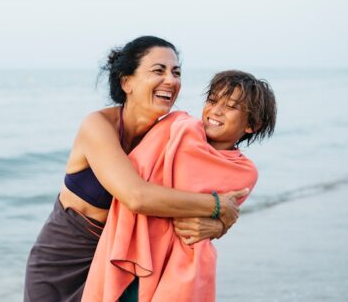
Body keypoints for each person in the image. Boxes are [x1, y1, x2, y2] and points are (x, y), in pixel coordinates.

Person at [23, 37, 248, 302]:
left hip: (121, 265)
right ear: (126, 82)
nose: (171, 80)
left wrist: (219, 224)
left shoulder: (174, 134)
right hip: (61, 265)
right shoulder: (97, 126)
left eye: (176, 73)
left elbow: (198, 188)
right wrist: (217, 207)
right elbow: (137, 196)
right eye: (158, 70)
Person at [82, 70, 277, 302]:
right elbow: (141, 182)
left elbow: (209, 221)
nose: (216, 110)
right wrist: (215, 211)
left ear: (252, 125)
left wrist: (219, 224)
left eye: (231, 106)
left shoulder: (243, 172)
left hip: (181, 266)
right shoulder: (178, 127)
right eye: (213, 100)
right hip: (136, 249)